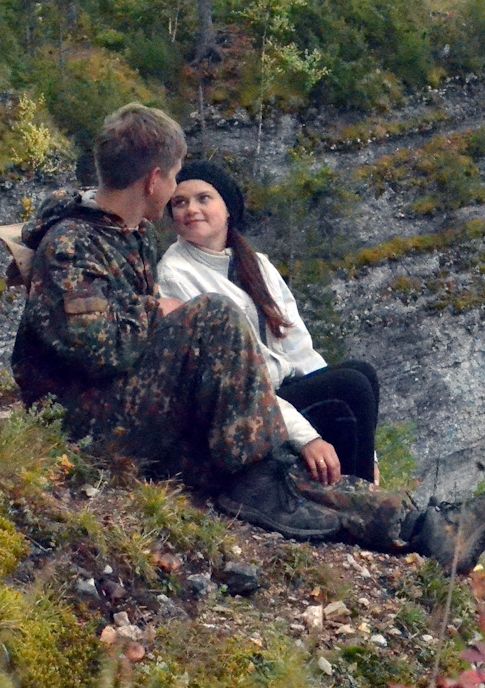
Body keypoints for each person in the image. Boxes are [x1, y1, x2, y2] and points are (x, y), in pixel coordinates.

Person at [10, 103, 485, 572]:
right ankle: (257, 479)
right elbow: (94, 349)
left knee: (284, 470)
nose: (181, 192)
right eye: (178, 179)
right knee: (217, 323)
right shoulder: (73, 244)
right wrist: (157, 310)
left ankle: (431, 530)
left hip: (131, 405)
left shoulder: (127, 232)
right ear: (155, 179)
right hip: (86, 423)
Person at [156, 161, 379, 489]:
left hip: (277, 394)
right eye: (180, 202)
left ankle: (362, 494)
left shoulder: (255, 264)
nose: (191, 209)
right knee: (350, 387)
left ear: (227, 208)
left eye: (204, 198)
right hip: (239, 405)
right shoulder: (175, 274)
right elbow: (233, 378)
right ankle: (360, 507)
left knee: (362, 374)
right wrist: (305, 437)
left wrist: (370, 453)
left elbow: (299, 348)